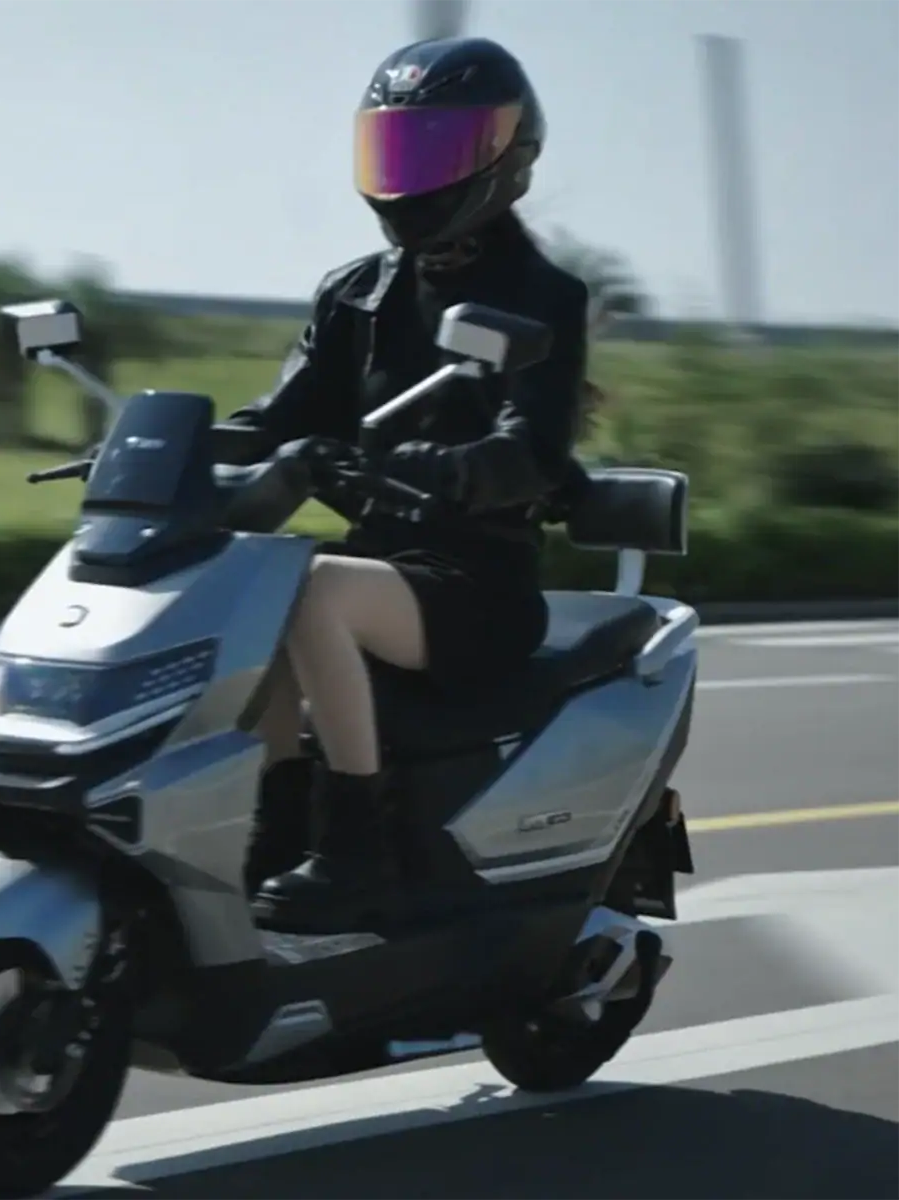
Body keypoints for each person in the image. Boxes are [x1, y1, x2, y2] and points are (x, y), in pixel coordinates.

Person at [219, 35, 590, 933]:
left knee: (307, 591)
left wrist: (453, 470)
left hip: (476, 587)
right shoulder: (355, 293)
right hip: (381, 566)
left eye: (439, 149)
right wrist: (181, 444)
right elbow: (279, 415)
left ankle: (355, 848)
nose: (412, 175)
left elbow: (534, 450)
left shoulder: (543, 294)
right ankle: (277, 825)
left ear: (508, 156)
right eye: (397, 148)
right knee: (250, 576)